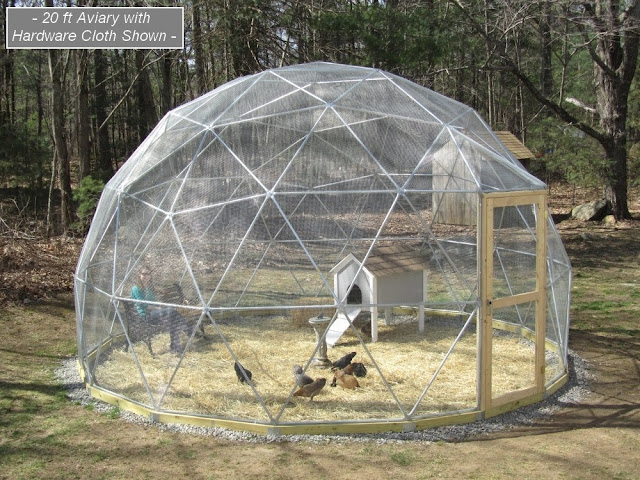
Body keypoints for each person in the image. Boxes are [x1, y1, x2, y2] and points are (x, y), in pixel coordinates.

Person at [131, 267, 188, 353]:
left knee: (174, 318)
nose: (145, 276)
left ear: (150, 276)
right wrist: (160, 308)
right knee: (172, 312)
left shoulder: (149, 287)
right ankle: (189, 330)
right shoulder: (136, 288)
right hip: (145, 316)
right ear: (139, 275)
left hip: (154, 313)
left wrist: (160, 293)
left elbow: (153, 301)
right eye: (143, 274)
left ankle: (175, 345)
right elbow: (145, 305)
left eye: (148, 274)